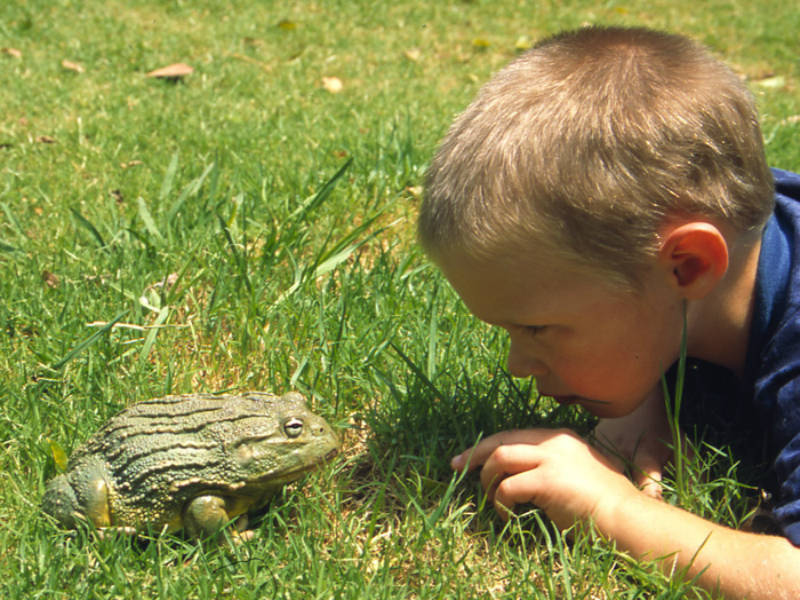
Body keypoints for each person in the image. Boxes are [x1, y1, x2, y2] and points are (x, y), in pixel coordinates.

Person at [418, 25, 800, 599]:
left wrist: (611, 508)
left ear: (689, 266)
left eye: (537, 328)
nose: (517, 366)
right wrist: (646, 396)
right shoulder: (710, 248)